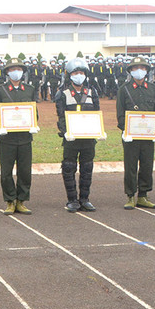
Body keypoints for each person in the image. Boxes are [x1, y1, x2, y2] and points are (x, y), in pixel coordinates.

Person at [0, 58, 38, 215]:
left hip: (25, 137)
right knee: (6, 172)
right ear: (7, 72)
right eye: (12, 69)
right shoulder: (0, 90)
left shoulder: (30, 89)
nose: (15, 72)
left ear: (23, 72)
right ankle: (10, 201)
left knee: (25, 171)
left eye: (18, 69)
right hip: (7, 138)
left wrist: (33, 123)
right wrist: (1, 125)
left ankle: (21, 201)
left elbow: (34, 111)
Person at [117, 56, 155, 210]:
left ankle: (143, 196)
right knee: (130, 166)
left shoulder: (153, 89)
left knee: (147, 165)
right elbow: (120, 113)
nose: (139, 71)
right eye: (136, 68)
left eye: (143, 68)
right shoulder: (124, 89)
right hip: (131, 136)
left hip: (148, 135)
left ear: (147, 71)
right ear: (130, 71)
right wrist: (126, 130)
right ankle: (130, 196)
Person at [55, 58, 99, 213]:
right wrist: (65, 131)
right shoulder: (63, 93)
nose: (78, 75)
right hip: (71, 139)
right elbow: (60, 116)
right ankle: (72, 199)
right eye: (75, 73)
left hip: (88, 138)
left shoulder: (92, 92)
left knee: (87, 167)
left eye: (81, 72)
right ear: (69, 75)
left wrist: (99, 130)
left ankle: (85, 199)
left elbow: (96, 114)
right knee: (69, 167)